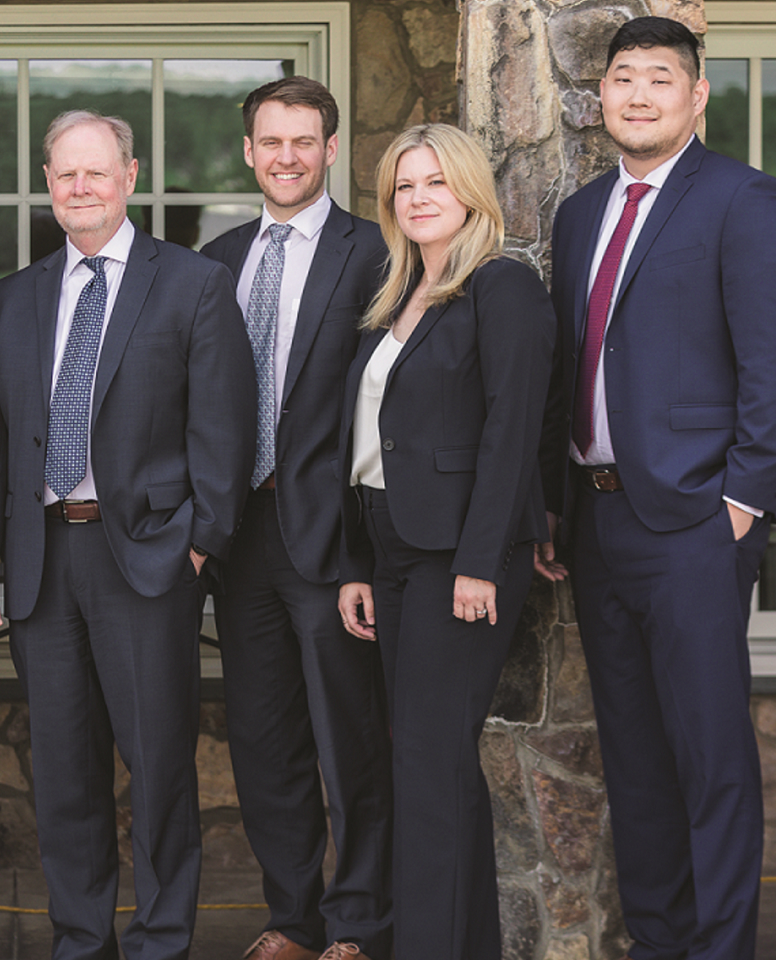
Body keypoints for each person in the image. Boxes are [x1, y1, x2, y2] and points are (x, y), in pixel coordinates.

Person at [0, 110, 254, 960]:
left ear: (129, 177)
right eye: (63, 175)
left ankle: (160, 940)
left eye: (95, 172)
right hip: (44, 562)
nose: (78, 187)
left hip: (148, 560)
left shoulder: (191, 284)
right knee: (64, 772)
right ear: (47, 186)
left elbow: (224, 432)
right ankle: (81, 938)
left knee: (159, 769)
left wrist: (198, 544)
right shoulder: (15, 297)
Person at [538, 17, 776, 960]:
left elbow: (769, 362)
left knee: (710, 759)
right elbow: (570, 369)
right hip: (596, 521)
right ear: (602, 95)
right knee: (633, 760)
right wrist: (553, 503)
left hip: (694, 523)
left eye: (660, 79)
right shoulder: (579, 214)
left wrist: (742, 499)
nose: (638, 95)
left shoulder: (743, 200)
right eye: (623, 78)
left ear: (698, 92)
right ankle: (659, 942)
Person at [335, 123, 553, 960]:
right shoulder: (397, 292)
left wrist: (476, 562)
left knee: (428, 764)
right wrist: (357, 562)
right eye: (403, 186)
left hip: (458, 555)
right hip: (389, 547)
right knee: (426, 762)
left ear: (469, 191)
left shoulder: (503, 289)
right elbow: (369, 440)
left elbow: (511, 432)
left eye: (435, 182)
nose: (418, 198)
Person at [198, 77, 392, 960]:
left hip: (332, 537)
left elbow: (385, 406)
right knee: (264, 739)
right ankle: (292, 918)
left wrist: (362, 553)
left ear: (329, 149)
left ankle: (357, 924)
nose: (285, 157)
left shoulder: (376, 251)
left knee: (349, 741)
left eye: (303, 142)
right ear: (249, 151)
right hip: (239, 537)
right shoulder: (218, 258)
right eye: (270, 142)